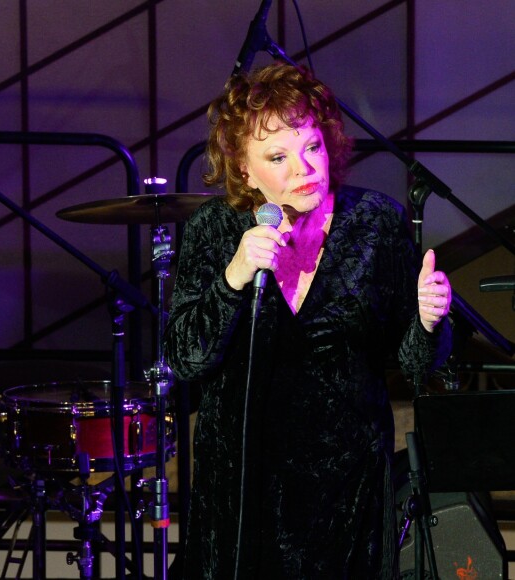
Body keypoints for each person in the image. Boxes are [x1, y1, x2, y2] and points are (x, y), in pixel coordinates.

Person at [163, 63, 452, 579]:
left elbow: (413, 364)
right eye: (278, 157)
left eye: (312, 147)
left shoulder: (375, 223)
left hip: (347, 489)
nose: (304, 168)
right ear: (245, 170)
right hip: (243, 487)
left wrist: (429, 322)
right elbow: (185, 359)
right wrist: (233, 275)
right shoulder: (213, 230)